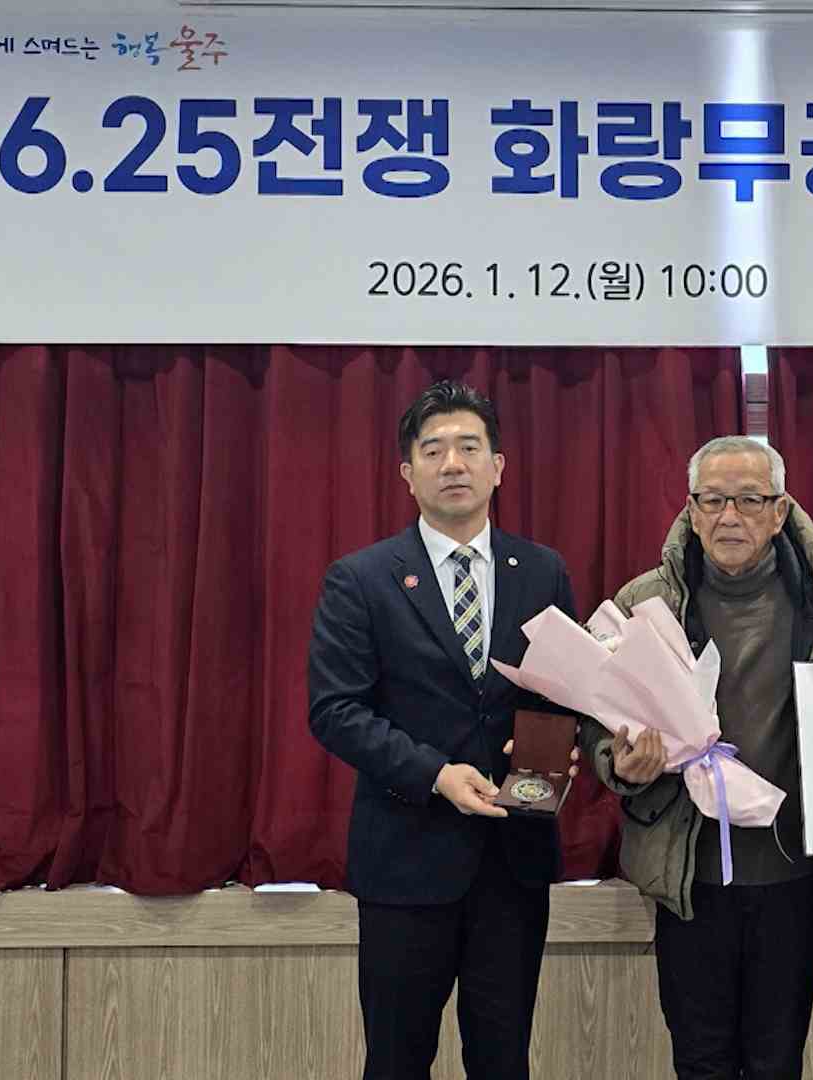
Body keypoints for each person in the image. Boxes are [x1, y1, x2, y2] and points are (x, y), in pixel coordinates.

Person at [578, 435, 813, 1080]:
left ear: (780, 511)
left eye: (750, 500)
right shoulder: (644, 603)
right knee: (700, 1061)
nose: (730, 516)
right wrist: (619, 761)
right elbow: (595, 718)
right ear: (691, 510)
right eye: (713, 500)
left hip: (794, 876)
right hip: (687, 877)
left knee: (776, 1061)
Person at [308, 379, 577, 1080]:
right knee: (397, 1061)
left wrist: (551, 756)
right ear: (407, 473)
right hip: (405, 860)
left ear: (498, 466)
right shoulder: (362, 579)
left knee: (504, 1061)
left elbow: (561, 696)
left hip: (513, 863)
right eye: (433, 451)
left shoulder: (542, 570)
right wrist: (435, 774)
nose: (452, 463)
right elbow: (335, 711)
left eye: (469, 447)